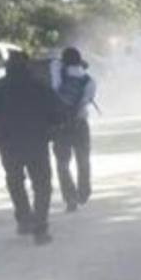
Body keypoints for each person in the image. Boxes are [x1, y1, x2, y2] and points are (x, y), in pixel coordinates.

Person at [0, 52, 65, 245]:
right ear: (28, 67)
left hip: (8, 143)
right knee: (42, 185)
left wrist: (0, 122)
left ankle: (25, 219)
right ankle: (40, 228)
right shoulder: (40, 87)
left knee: (15, 181)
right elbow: (58, 113)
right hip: (37, 141)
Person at [52, 47, 96, 213]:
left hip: (60, 125)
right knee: (83, 160)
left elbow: (54, 88)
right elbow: (86, 101)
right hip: (80, 123)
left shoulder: (58, 72)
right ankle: (83, 192)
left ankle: (70, 197)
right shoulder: (89, 81)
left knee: (62, 163)